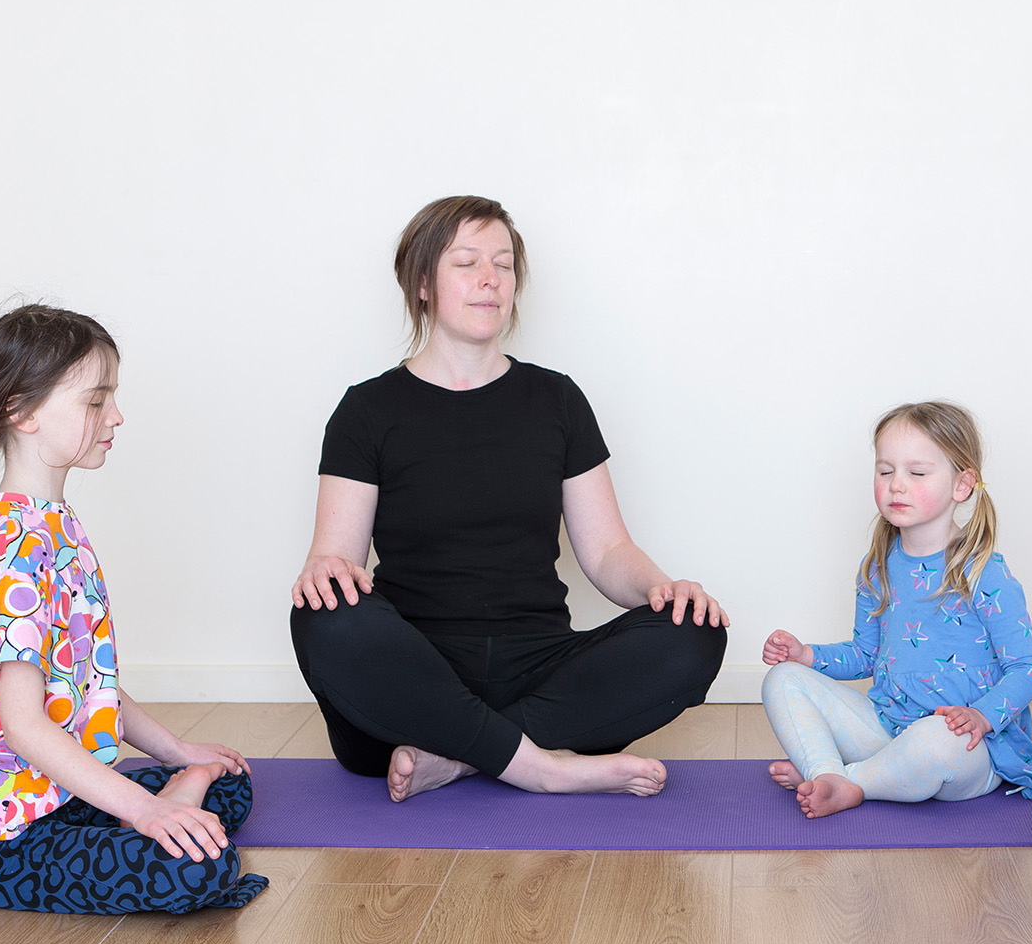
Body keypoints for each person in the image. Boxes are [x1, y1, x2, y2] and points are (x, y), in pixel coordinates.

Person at [289, 196, 728, 801]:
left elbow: (606, 552)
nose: (490, 279)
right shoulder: (366, 411)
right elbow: (336, 561)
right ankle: (541, 765)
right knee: (321, 614)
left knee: (695, 632)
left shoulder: (558, 400)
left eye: (503, 263)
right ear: (422, 283)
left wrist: (664, 589)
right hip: (414, 675)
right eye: (466, 262)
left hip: (538, 666)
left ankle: (465, 756)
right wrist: (322, 571)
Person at [0, 304, 268, 914]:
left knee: (231, 781)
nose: (115, 416)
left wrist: (177, 755)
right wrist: (146, 807)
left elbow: (90, 686)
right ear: (22, 411)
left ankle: (180, 798)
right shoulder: (15, 552)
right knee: (199, 863)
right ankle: (167, 815)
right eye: (95, 401)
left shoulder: (54, 527)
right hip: (10, 843)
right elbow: (24, 724)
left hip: (64, 794)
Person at [760, 401, 1032, 818]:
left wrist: (982, 718)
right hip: (888, 728)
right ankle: (827, 774)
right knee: (783, 680)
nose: (897, 485)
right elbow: (866, 655)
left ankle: (853, 779)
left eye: (916, 473)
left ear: (962, 485)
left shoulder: (985, 572)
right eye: (885, 471)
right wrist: (806, 655)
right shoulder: (878, 565)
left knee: (934, 740)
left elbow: (1027, 667)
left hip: (967, 746)